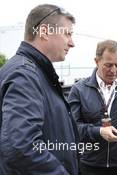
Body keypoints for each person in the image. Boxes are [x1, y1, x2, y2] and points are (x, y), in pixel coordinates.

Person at [0, 4, 79, 175]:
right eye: (67, 34)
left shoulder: (35, 72)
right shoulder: (25, 75)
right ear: (44, 31)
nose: (72, 43)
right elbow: (21, 148)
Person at [68, 40, 117, 175]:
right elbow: (71, 127)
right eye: (108, 65)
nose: (113, 70)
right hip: (90, 165)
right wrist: (98, 132)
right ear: (96, 61)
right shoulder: (79, 90)